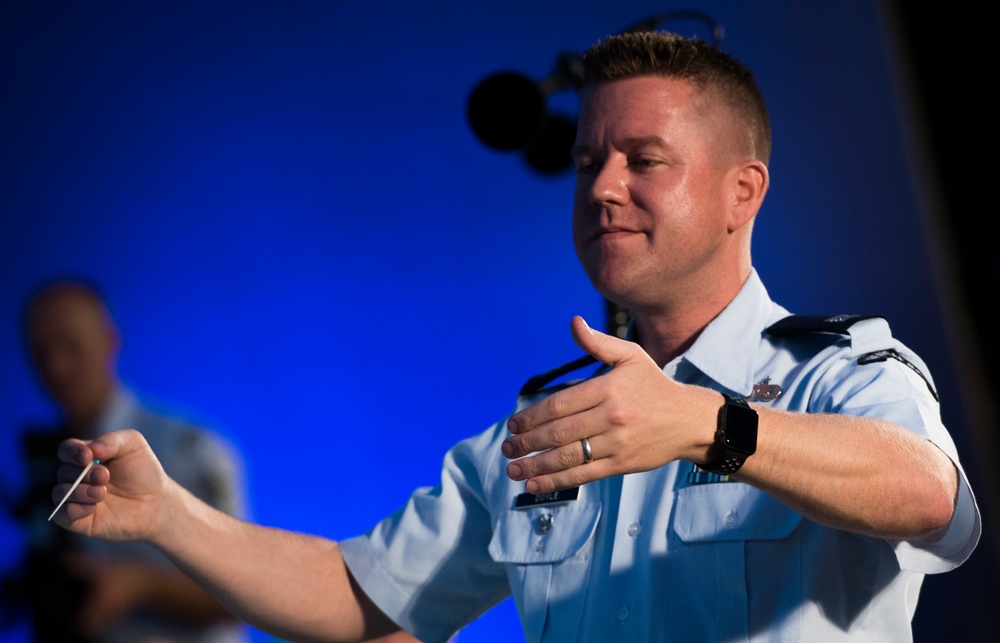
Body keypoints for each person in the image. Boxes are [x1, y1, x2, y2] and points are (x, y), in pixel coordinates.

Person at [47, 31, 980, 642]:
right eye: (588, 162)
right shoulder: (552, 423)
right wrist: (166, 513)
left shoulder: (836, 371)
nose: (603, 186)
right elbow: (359, 592)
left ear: (744, 191)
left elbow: (928, 491)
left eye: (643, 160)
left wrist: (709, 425)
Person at [7, 279, 251, 643]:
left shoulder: (191, 448)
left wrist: (139, 584)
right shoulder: (45, 463)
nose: (57, 367)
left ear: (109, 340)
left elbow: (246, 589)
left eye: (70, 345)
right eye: (41, 352)